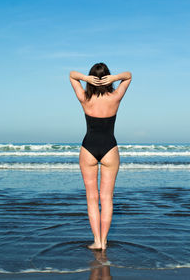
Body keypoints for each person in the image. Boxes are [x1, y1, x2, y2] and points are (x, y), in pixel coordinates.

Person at [69, 63, 132, 250]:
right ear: (108, 77)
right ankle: (104, 242)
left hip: (88, 148)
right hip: (110, 149)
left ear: (91, 78)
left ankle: (96, 241)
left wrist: (85, 79)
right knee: (107, 198)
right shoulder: (115, 97)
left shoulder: (84, 98)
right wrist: (115, 78)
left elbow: (71, 75)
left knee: (91, 197)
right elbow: (128, 76)